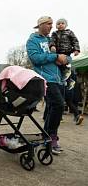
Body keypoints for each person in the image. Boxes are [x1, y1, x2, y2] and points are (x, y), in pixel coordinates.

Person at [26, 16, 71, 155]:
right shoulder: (33, 40)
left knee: (53, 107)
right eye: (49, 24)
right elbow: (35, 59)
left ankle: (47, 136)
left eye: (52, 24)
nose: (52, 26)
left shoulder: (54, 38)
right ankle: (51, 137)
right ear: (40, 25)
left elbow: (67, 55)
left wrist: (64, 59)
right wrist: (55, 57)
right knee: (59, 104)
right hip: (45, 78)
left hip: (59, 79)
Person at [50, 18, 80, 90]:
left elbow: (75, 41)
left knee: (64, 64)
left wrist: (76, 49)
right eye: (58, 24)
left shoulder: (69, 32)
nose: (60, 25)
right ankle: (68, 81)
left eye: (62, 23)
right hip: (58, 52)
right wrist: (52, 46)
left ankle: (68, 78)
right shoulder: (54, 33)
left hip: (67, 51)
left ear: (66, 25)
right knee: (60, 66)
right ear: (56, 26)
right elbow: (52, 40)